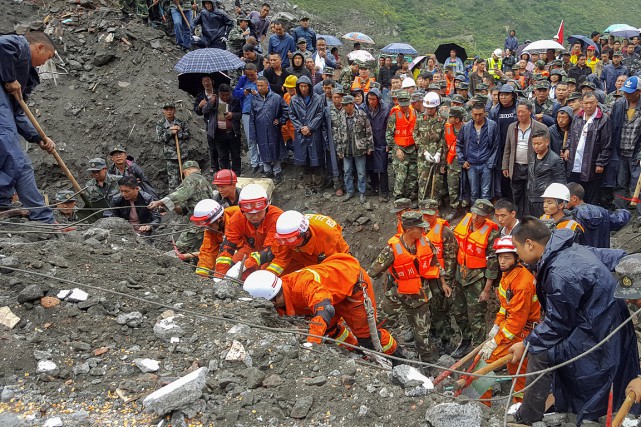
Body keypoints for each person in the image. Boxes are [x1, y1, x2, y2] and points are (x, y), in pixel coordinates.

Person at [508, 218, 639, 425]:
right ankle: (559, 404)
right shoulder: (567, 248)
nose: (516, 253)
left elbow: (557, 324)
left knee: (541, 353)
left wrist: (526, 343)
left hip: (598, 327)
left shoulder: (562, 272)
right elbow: (610, 256)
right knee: (546, 346)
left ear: (530, 244)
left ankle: (529, 416)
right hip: (598, 318)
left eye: (516, 246)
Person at [245, 253, 402, 357]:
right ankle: (357, 352)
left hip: (352, 286)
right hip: (333, 288)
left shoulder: (302, 286)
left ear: (272, 299)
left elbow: (324, 308)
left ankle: (397, 357)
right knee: (331, 329)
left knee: (367, 336)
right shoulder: (282, 289)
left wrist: (312, 342)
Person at [368, 211, 452, 363]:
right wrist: (365, 296)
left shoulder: (426, 243)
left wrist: (444, 283)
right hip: (398, 294)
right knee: (378, 322)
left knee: (422, 334)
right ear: (408, 230)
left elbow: (435, 264)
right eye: (420, 228)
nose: (423, 231)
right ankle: (373, 350)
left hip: (421, 296)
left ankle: (426, 365)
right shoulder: (392, 249)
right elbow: (372, 273)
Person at [0, 32, 56, 224]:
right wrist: (9, 78)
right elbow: (1, 44)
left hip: (5, 116)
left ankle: (43, 217)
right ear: (39, 47)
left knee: (20, 165)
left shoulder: (19, 78)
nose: (44, 64)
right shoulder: (19, 44)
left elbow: (17, 113)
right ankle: (3, 203)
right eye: (47, 58)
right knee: (14, 159)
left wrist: (38, 137)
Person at [478, 235, 540, 406]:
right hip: (516, 328)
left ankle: (482, 407)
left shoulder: (522, 282)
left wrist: (497, 341)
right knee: (518, 369)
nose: (502, 261)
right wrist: (496, 325)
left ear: (516, 258)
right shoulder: (508, 275)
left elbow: (516, 321)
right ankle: (520, 403)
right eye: (500, 257)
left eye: (507, 257)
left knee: (484, 363)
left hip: (522, 331)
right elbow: (505, 307)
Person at [450, 198, 499, 357]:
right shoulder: (464, 224)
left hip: (477, 279)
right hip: (460, 275)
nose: (476, 217)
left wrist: (486, 289)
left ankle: (478, 349)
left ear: (487, 216)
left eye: (480, 215)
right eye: (474, 213)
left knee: (476, 316)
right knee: (458, 312)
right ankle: (465, 340)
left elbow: (493, 263)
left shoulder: (491, 233)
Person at [148, 160, 215, 255]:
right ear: (198, 169)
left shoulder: (191, 179)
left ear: (184, 171)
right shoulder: (204, 181)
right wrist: (170, 207)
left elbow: (179, 194)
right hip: (209, 221)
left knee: (180, 249)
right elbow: (186, 207)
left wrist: (159, 202)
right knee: (198, 250)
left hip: (198, 223)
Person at [215, 184, 283, 275]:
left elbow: (271, 250)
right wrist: (219, 275)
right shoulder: (236, 220)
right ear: (243, 210)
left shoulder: (277, 218)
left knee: (263, 273)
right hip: (251, 248)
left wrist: (245, 265)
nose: (255, 216)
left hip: (272, 252)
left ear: (266, 207)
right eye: (250, 213)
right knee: (231, 265)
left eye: (259, 212)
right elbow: (227, 248)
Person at [420, 199, 458, 354]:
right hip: (425, 276)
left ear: (436, 212)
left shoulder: (445, 232)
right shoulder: (419, 229)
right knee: (426, 307)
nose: (427, 218)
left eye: (430, 215)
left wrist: (447, 280)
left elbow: (451, 257)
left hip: (440, 277)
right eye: (424, 215)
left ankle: (446, 339)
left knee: (441, 309)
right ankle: (432, 333)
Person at [264, 210, 349, 276]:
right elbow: (281, 260)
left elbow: (343, 260)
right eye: (282, 240)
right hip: (300, 257)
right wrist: (269, 277)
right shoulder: (285, 236)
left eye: (290, 239)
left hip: (323, 260)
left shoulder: (328, 237)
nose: (286, 244)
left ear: (306, 234)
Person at [502, 100, 550, 216]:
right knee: (516, 193)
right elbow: (507, 148)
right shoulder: (512, 127)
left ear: (530, 111)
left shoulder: (540, 127)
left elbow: (547, 150)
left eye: (523, 112)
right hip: (516, 166)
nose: (520, 114)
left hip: (532, 166)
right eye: (518, 112)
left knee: (531, 193)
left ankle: (530, 218)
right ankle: (518, 217)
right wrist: (505, 166)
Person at [563, 92, 611, 205]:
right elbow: (570, 135)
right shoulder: (577, 117)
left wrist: (601, 162)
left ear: (597, 103)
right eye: (586, 103)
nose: (588, 106)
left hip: (591, 163)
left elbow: (607, 143)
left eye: (591, 103)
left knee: (590, 195)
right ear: (581, 103)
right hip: (575, 160)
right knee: (573, 193)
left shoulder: (603, 119)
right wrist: (567, 148)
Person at [289, 75, 327, 192]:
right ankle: (308, 185)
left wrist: (310, 127)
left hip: (314, 134)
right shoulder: (294, 100)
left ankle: (318, 185)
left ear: (310, 87)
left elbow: (320, 114)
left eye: (305, 86)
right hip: (301, 135)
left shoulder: (318, 99)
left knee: (317, 161)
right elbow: (292, 115)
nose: (303, 89)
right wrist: (301, 128)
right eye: (301, 86)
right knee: (304, 161)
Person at [457, 103, 499, 203]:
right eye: (475, 114)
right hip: (471, 164)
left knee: (486, 193)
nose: (477, 117)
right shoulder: (466, 127)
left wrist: (490, 163)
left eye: (480, 114)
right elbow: (459, 144)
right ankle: (475, 215)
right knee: (474, 192)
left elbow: (496, 146)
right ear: (471, 113)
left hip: (486, 164)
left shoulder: (492, 126)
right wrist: (462, 161)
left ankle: (485, 215)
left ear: (485, 113)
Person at [566, 182, 630, 248]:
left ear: (574, 198)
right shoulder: (602, 211)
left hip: (582, 255)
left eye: (565, 198)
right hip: (602, 254)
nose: (563, 201)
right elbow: (620, 220)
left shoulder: (572, 217)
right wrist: (625, 212)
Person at [334, 95, 373, 203]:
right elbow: (338, 134)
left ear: (351, 105)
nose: (344, 107)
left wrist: (370, 146)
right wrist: (339, 149)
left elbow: (368, 130)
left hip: (359, 148)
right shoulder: (341, 116)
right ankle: (350, 191)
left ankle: (362, 193)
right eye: (343, 105)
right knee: (347, 171)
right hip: (346, 148)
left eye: (346, 105)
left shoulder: (361, 115)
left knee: (361, 172)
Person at [249, 76, 288, 183]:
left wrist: (280, 120)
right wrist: (253, 133)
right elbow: (252, 118)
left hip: (273, 128)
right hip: (260, 128)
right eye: (258, 85)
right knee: (263, 148)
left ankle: (277, 171)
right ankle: (267, 171)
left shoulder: (276, 98)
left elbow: (286, 110)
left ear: (267, 85)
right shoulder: (255, 100)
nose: (260, 87)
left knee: (275, 148)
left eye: (262, 85)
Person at [611, 76, 641, 210]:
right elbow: (613, 126)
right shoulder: (619, 104)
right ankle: (620, 213)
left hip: (637, 153)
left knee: (637, 185)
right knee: (619, 183)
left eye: (630, 92)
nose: (626, 94)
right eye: (625, 91)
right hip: (620, 151)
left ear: (639, 91)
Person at [191, 198, 240, 277]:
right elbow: (207, 253)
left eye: (209, 225)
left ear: (219, 219)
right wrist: (201, 277)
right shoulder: (211, 230)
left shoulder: (239, 218)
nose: (207, 228)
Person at [203, 84, 242, 176]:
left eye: (227, 95)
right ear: (219, 94)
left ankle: (237, 174)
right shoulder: (214, 101)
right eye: (222, 95)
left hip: (233, 132)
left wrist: (232, 115)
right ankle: (226, 174)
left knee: (235, 154)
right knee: (223, 155)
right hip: (219, 132)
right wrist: (210, 103)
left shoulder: (234, 101)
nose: (225, 97)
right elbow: (204, 111)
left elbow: (240, 114)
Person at [526, 129, 566, 218]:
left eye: (539, 144)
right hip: (531, 198)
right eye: (534, 144)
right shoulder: (532, 156)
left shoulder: (555, 160)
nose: (536, 146)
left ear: (547, 142)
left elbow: (561, 183)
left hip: (545, 200)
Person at [413, 92, 445, 204]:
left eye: (431, 108)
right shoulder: (420, 119)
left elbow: (444, 138)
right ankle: (422, 206)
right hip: (423, 157)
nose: (429, 110)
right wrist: (424, 151)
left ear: (436, 107)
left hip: (437, 155)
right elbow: (415, 135)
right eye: (427, 108)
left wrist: (439, 153)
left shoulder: (442, 120)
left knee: (436, 184)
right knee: (423, 181)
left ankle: (435, 207)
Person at [387, 91, 418, 201]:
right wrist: (397, 149)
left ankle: (407, 198)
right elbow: (389, 135)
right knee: (401, 177)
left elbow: (417, 131)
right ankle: (398, 199)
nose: (404, 107)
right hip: (400, 149)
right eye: (402, 105)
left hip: (413, 149)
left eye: (406, 104)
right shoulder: (394, 115)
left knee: (413, 176)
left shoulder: (414, 113)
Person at [155, 102, 190, 191]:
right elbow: (160, 139)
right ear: (163, 111)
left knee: (186, 179)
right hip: (171, 157)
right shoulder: (160, 124)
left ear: (174, 110)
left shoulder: (180, 123)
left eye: (171, 109)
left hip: (183, 155)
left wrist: (179, 132)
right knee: (173, 181)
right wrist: (170, 132)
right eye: (167, 109)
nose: (169, 111)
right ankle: (174, 202)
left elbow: (188, 136)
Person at [364, 88, 391, 202]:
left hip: (381, 139)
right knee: (370, 165)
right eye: (369, 99)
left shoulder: (385, 110)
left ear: (378, 99)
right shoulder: (364, 109)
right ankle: (374, 187)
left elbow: (388, 127)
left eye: (373, 99)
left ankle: (384, 191)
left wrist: (388, 143)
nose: (371, 101)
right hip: (369, 140)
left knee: (383, 167)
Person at [233, 64, 260, 174]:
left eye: (252, 75)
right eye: (247, 75)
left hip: (259, 113)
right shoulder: (243, 80)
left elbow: (269, 94)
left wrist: (257, 93)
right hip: (246, 112)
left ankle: (263, 162)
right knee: (251, 140)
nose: (249, 77)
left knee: (261, 138)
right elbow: (235, 93)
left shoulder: (262, 79)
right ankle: (254, 163)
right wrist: (243, 92)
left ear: (256, 71)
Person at [444, 106, 468, 220]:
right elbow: (444, 146)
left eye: (451, 117)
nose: (448, 118)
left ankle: (466, 208)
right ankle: (455, 208)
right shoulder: (447, 128)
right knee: (452, 186)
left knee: (466, 187)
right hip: (452, 163)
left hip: (465, 163)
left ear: (457, 119)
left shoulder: (467, 129)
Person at [194, 75, 220, 174]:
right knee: (212, 146)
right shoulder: (200, 96)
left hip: (220, 122)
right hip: (209, 124)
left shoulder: (218, 92)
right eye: (204, 81)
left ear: (212, 81)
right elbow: (197, 111)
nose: (206, 83)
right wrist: (200, 106)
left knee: (222, 146)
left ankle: (224, 166)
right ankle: (214, 167)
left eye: (208, 81)